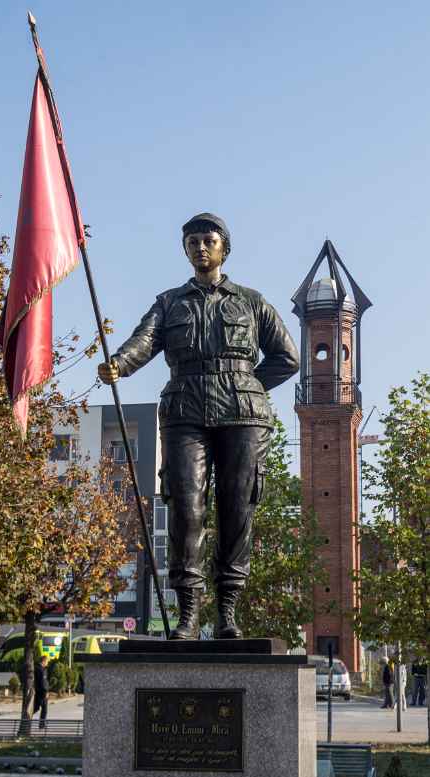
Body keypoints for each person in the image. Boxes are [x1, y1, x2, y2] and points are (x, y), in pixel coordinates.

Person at [98, 213, 299, 639]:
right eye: (192, 242)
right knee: (186, 509)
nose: (200, 248)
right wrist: (119, 364)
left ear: (224, 247)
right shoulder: (170, 302)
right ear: (186, 251)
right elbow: (144, 341)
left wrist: (246, 385)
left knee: (236, 508)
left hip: (242, 415)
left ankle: (227, 613)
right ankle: (188, 615)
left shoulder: (251, 300)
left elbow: (288, 357)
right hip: (185, 410)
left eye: (208, 240)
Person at [33, 655, 49, 728]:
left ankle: (42, 724)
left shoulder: (40, 668)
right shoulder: (40, 670)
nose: (47, 663)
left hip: (40, 691)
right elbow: (42, 682)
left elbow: (44, 681)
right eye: (47, 661)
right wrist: (45, 692)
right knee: (42, 708)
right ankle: (42, 724)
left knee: (38, 708)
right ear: (44, 661)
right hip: (41, 692)